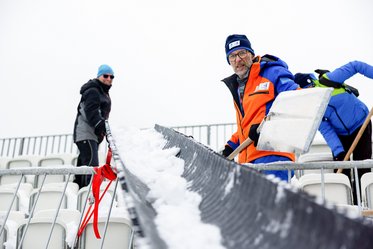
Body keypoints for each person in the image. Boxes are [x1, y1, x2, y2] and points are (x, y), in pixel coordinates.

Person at [221, 34, 299, 181]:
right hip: (248, 163)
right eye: (232, 56)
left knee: (270, 203)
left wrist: (267, 128)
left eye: (242, 53)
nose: (238, 60)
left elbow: (296, 100)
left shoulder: (271, 72)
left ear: (251, 54)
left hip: (273, 157)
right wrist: (230, 146)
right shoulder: (239, 88)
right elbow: (248, 126)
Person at [294, 61, 373, 204]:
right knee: (342, 169)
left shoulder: (329, 80)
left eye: (310, 88)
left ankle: (367, 202)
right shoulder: (314, 107)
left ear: (312, 83)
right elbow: (327, 130)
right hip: (341, 134)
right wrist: (338, 152)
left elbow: (355, 65)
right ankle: (351, 205)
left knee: (362, 166)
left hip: (362, 122)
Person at [73, 64, 114, 188]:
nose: (108, 78)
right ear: (99, 76)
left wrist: (104, 130)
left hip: (93, 135)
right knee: (92, 165)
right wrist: (103, 127)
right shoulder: (93, 91)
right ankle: (87, 193)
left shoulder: (102, 92)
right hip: (86, 133)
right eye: (105, 75)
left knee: (84, 164)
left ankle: (79, 190)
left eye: (111, 77)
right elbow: (92, 113)